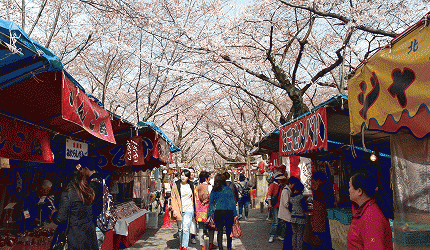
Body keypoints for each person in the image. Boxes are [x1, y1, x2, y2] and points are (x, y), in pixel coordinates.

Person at [52, 171, 98, 250]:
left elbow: (60, 219)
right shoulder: (89, 192)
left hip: (74, 236)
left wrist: (54, 213)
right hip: (89, 234)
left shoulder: (67, 194)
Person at [347, 171, 393, 250]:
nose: (349, 190)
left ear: (359, 191)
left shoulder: (371, 217)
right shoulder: (364, 211)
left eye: (350, 186)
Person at [208, 174, 237, 250]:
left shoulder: (214, 191)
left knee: (219, 231)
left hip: (218, 212)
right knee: (228, 231)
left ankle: (220, 247)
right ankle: (229, 247)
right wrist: (235, 214)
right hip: (229, 212)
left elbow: (211, 202)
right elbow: (232, 202)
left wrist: (210, 213)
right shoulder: (228, 189)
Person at [171, 169, 197, 250]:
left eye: (185, 176)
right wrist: (174, 209)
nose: (183, 177)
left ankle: (184, 246)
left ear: (188, 177)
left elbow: (195, 198)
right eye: (182, 175)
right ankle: (181, 244)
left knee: (186, 228)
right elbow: (173, 198)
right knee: (180, 228)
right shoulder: (176, 185)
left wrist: (196, 209)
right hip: (179, 209)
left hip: (189, 209)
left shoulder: (191, 185)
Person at [311, 172, 332, 250]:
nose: (315, 183)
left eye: (315, 181)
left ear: (319, 180)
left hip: (321, 213)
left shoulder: (321, 187)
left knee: (323, 235)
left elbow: (321, 200)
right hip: (322, 212)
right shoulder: (326, 186)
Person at [195, 171, 215, 250]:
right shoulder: (210, 187)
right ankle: (210, 243)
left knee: (200, 228)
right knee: (211, 227)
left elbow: (196, 199)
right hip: (209, 210)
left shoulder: (198, 187)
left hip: (200, 210)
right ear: (206, 178)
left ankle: (202, 245)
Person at [279, 176, 300, 250]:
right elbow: (286, 204)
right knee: (288, 233)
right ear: (291, 184)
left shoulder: (288, 190)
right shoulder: (286, 191)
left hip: (288, 215)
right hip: (287, 216)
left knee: (289, 233)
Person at [267, 175, 288, 243]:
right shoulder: (273, 185)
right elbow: (269, 194)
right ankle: (272, 235)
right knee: (275, 221)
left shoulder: (282, 186)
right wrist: (269, 203)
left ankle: (279, 234)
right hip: (275, 205)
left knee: (281, 221)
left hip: (281, 205)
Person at [289, 181, 307, 250]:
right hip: (301, 218)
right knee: (300, 234)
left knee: (294, 234)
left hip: (293, 218)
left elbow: (290, 209)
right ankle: (299, 248)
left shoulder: (291, 198)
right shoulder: (301, 197)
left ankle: (294, 247)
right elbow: (304, 207)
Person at [188, 167, 198, 244]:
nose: (192, 174)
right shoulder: (185, 183)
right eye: (190, 172)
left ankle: (193, 236)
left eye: (193, 172)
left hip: (195, 204)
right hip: (187, 204)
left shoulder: (197, 182)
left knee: (193, 222)